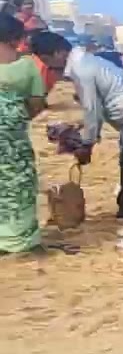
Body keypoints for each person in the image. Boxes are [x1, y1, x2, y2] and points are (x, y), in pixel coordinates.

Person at [35, 33, 123, 240]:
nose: (50, 67)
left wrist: (87, 143)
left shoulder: (82, 69)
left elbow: (92, 111)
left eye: (48, 60)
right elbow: (96, 110)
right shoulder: (86, 62)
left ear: (59, 53)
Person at [0, 15, 47, 254]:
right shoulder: (27, 65)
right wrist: (15, 117)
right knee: (20, 184)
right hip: (13, 138)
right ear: (15, 38)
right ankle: (21, 239)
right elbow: (37, 103)